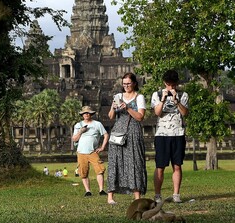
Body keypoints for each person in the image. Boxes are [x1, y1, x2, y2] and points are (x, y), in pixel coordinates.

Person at [106, 73, 147, 204]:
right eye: (124, 84)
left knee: (135, 162)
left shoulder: (139, 97)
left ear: (134, 83)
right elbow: (111, 117)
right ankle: (110, 196)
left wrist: (128, 107)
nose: (126, 86)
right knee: (114, 162)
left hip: (134, 132)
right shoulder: (118, 96)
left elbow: (140, 117)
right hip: (118, 132)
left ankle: (137, 197)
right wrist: (113, 107)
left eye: (128, 84)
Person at [151, 69, 189, 203]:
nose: (171, 87)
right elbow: (157, 112)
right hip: (162, 134)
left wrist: (176, 101)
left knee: (177, 165)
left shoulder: (183, 95)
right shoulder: (156, 94)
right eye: (168, 84)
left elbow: (185, 113)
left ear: (177, 83)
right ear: (164, 83)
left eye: (173, 85)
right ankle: (157, 195)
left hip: (178, 133)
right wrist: (163, 99)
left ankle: (176, 194)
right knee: (160, 166)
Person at [72, 106, 109, 197]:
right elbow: (74, 139)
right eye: (84, 113)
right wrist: (80, 131)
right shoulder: (78, 125)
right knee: (83, 172)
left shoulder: (97, 124)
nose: (86, 114)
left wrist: (102, 147)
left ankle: (101, 190)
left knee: (100, 169)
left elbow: (106, 135)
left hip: (93, 151)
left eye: (88, 113)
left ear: (91, 114)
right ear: (82, 115)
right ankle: (87, 191)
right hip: (81, 152)